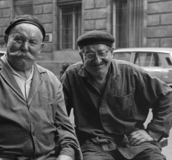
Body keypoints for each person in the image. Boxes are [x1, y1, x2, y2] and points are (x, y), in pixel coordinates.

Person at [0, 15, 82, 160]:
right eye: (18, 39)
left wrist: (65, 155)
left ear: (40, 48)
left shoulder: (51, 81)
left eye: (32, 42)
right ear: (6, 41)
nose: (25, 47)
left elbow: (65, 130)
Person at [61, 30, 172, 160]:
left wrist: (154, 132)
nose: (97, 60)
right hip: (94, 144)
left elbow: (167, 95)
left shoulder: (131, 72)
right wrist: (66, 147)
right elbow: (60, 113)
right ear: (82, 56)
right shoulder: (72, 75)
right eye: (90, 55)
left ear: (112, 52)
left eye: (102, 53)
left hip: (134, 142)